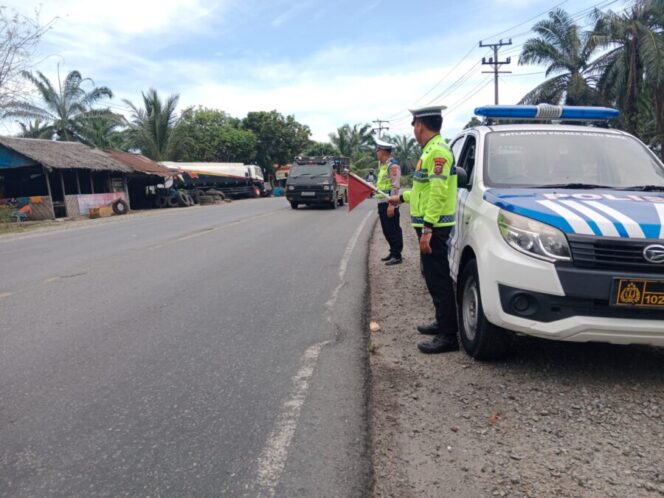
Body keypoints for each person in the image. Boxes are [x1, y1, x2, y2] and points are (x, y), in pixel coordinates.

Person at [388, 105, 459, 354]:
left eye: (414, 125)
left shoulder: (437, 152)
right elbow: (424, 190)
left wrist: (427, 229)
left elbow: (438, 194)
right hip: (432, 226)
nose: (414, 130)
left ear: (420, 125)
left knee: (438, 279)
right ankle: (443, 323)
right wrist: (403, 198)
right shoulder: (430, 151)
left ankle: (449, 336)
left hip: (435, 228)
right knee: (433, 277)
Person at [374, 138, 403, 265]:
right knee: (386, 230)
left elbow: (395, 187)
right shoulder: (384, 166)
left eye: (378, 150)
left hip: (389, 203)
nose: (377, 153)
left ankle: (397, 255)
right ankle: (392, 252)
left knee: (393, 229)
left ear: (383, 152)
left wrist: (392, 205)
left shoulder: (393, 166)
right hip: (382, 203)